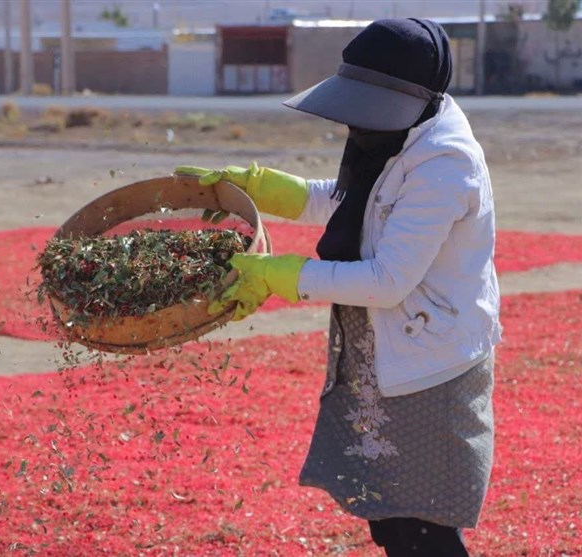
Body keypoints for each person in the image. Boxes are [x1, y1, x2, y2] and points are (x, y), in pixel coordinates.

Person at [175, 18, 502, 557]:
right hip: (388, 351)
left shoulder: (445, 164)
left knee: (422, 527)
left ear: (411, 100)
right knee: (390, 517)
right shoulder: (397, 139)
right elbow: (358, 201)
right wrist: (265, 189)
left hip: (429, 364)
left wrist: (278, 274)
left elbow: (386, 280)